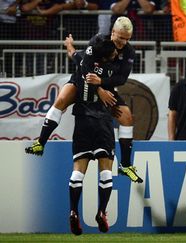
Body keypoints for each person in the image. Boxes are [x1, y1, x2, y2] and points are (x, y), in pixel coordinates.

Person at [25, 16, 143, 184]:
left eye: (127, 39)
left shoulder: (129, 52)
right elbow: (84, 65)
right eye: (121, 37)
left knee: (127, 117)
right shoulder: (97, 40)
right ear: (113, 32)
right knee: (61, 100)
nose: (124, 42)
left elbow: (122, 79)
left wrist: (101, 84)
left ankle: (125, 164)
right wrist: (99, 89)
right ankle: (41, 142)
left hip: (103, 87)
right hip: (81, 81)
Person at [68, 38, 117, 236]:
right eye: (112, 53)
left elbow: (74, 54)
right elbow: (117, 82)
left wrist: (69, 45)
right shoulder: (109, 71)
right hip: (102, 120)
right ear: (104, 57)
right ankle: (101, 212)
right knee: (105, 170)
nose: (115, 54)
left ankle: (73, 210)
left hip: (81, 118)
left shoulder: (83, 61)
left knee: (78, 171)